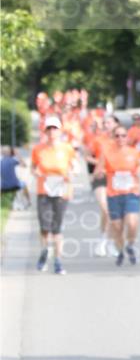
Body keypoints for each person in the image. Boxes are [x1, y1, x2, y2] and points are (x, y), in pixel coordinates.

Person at [30, 116, 77, 275]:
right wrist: (36, 173)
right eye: (49, 129)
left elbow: (74, 166)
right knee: (44, 227)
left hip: (61, 191)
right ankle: (44, 252)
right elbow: (33, 167)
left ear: (59, 130)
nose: (52, 132)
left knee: (57, 228)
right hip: (44, 189)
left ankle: (58, 261)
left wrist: (71, 174)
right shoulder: (38, 149)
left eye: (54, 128)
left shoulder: (67, 148)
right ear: (45, 131)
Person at [95, 124, 140, 266]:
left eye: (123, 135)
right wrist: (101, 173)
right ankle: (121, 250)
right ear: (113, 138)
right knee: (117, 226)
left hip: (131, 193)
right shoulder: (107, 153)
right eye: (117, 136)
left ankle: (130, 245)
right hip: (114, 194)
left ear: (127, 138)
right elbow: (97, 171)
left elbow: (139, 167)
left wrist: (138, 173)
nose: (120, 138)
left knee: (132, 222)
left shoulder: (134, 152)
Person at [87, 114, 119, 257]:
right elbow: (87, 156)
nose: (106, 125)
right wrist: (100, 164)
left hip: (116, 179)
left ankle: (110, 242)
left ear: (116, 124)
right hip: (100, 176)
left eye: (109, 122)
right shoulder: (98, 140)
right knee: (105, 209)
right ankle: (102, 241)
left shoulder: (122, 141)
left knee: (113, 213)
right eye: (105, 123)